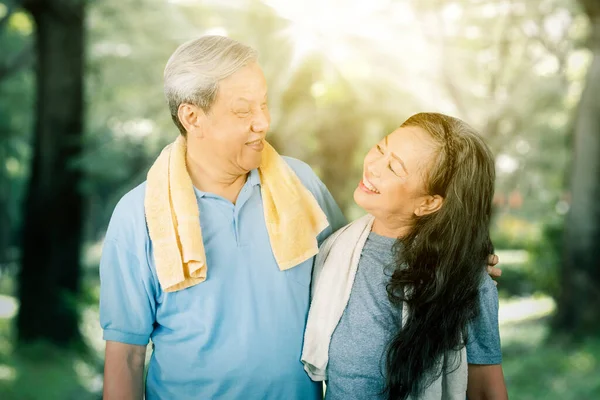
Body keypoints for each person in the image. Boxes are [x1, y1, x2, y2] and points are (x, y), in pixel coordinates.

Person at [99, 36, 501, 399]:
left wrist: (463, 255)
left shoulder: (299, 183)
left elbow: (363, 255)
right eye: (243, 111)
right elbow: (127, 358)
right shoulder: (138, 217)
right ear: (192, 117)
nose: (263, 122)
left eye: (263, 104)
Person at [302, 112, 508, 400]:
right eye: (381, 147)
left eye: (394, 168)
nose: (374, 166)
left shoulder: (466, 281)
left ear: (428, 203)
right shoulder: (334, 246)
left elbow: (486, 389)